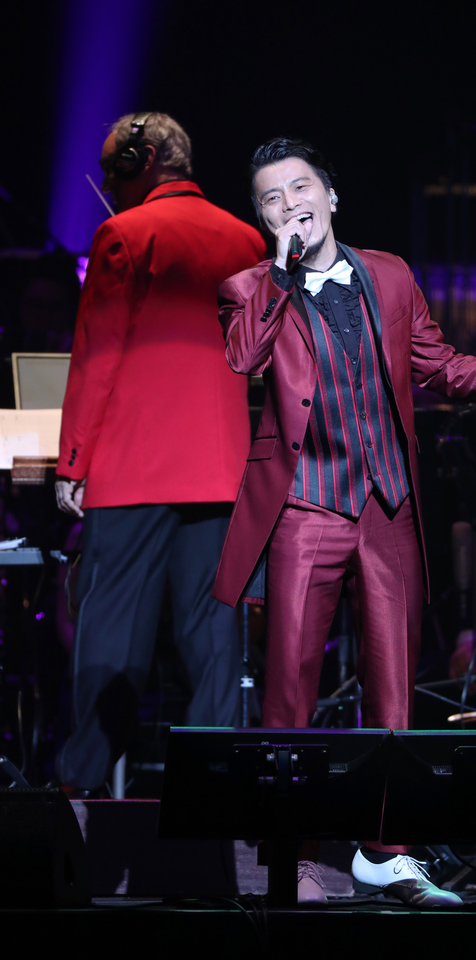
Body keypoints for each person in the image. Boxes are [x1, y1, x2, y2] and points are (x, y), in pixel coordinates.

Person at [212, 137, 476, 907]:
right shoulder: (248, 288)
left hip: (389, 505)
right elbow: (244, 358)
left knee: (394, 691)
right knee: (289, 691)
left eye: (300, 188)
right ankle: (290, 856)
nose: (288, 205)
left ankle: (387, 851)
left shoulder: (391, 275)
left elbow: (439, 366)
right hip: (305, 505)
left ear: (331, 196)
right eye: (271, 199)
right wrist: (281, 274)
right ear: (262, 218)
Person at [54, 112, 266, 793]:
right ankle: (212, 795)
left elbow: (98, 355)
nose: (108, 184)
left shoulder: (122, 235)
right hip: (221, 470)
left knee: (113, 636)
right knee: (213, 641)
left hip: (134, 471)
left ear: (140, 161)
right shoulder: (246, 239)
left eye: (112, 169)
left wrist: (73, 461)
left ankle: (78, 791)